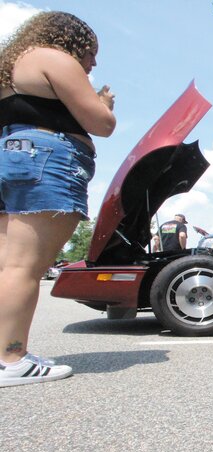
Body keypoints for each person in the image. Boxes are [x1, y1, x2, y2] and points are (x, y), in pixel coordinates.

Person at [0, 12, 116, 386]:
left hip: (12, 155)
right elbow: (102, 124)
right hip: (46, 159)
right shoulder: (53, 58)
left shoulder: (12, 65)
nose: (93, 62)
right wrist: (104, 103)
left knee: (10, 266)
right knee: (24, 268)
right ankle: (12, 359)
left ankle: (6, 352)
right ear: (71, 40)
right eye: (91, 52)